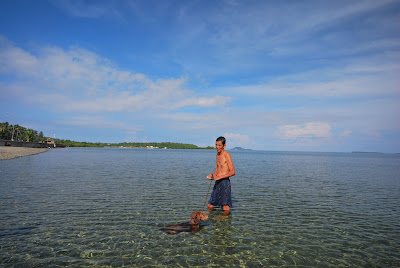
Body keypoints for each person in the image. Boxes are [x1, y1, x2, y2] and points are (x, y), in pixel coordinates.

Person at [207, 136, 235, 213]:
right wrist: (212, 175)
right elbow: (217, 169)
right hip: (218, 181)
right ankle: (212, 219)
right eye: (216, 145)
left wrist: (219, 177)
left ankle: (225, 221)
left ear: (224, 146)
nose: (217, 147)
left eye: (219, 145)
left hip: (225, 182)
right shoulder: (217, 155)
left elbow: (233, 172)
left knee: (225, 206)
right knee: (210, 204)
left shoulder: (227, 155)